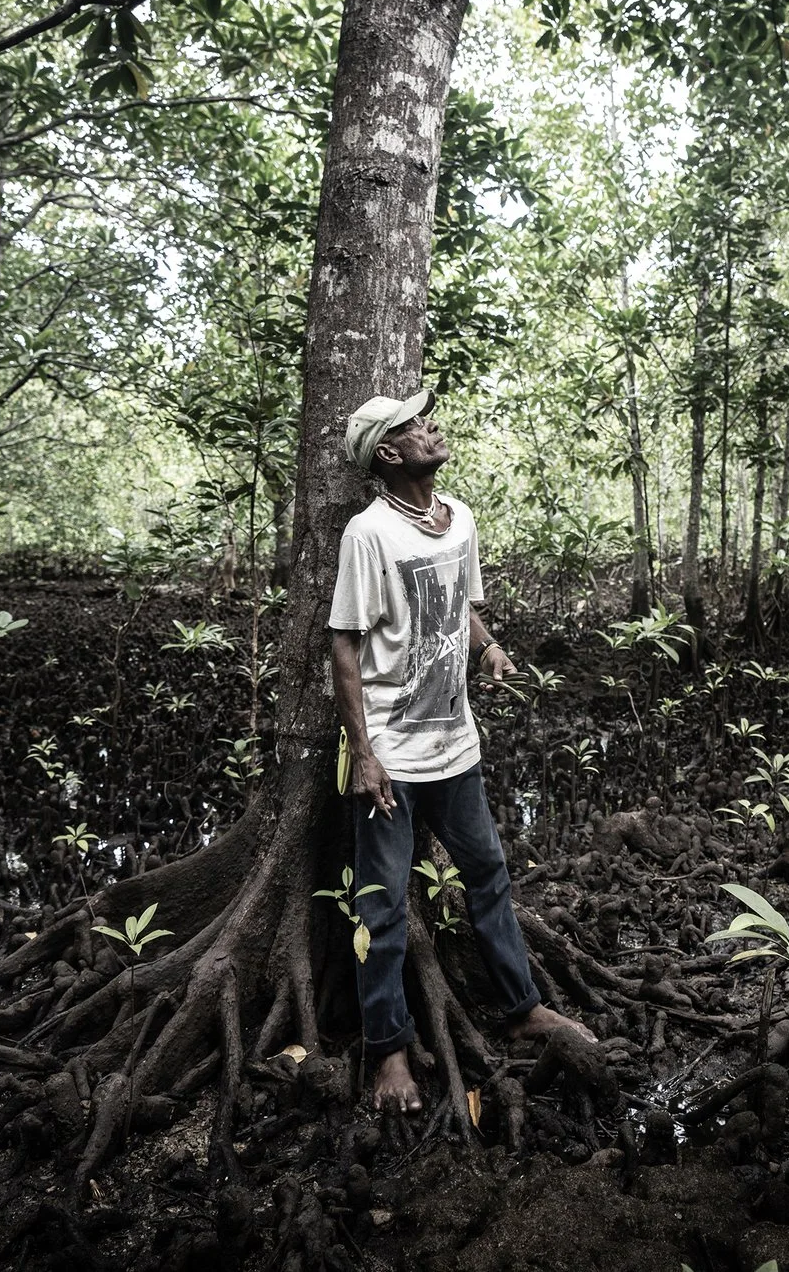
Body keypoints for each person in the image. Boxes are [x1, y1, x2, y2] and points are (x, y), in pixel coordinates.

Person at [328, 388, 593, 1113]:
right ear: (387, 453)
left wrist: (493, 647)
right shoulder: (369, 534)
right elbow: (345, 646)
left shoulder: (460, 518)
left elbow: (464, 607)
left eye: (426, 417)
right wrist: (366, 752)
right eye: (413, 425)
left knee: (488, 874)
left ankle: (521, 1005)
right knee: (380, 905)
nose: (430, 427)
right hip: (392, 756)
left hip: (456, 746)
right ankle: (387, 1050)